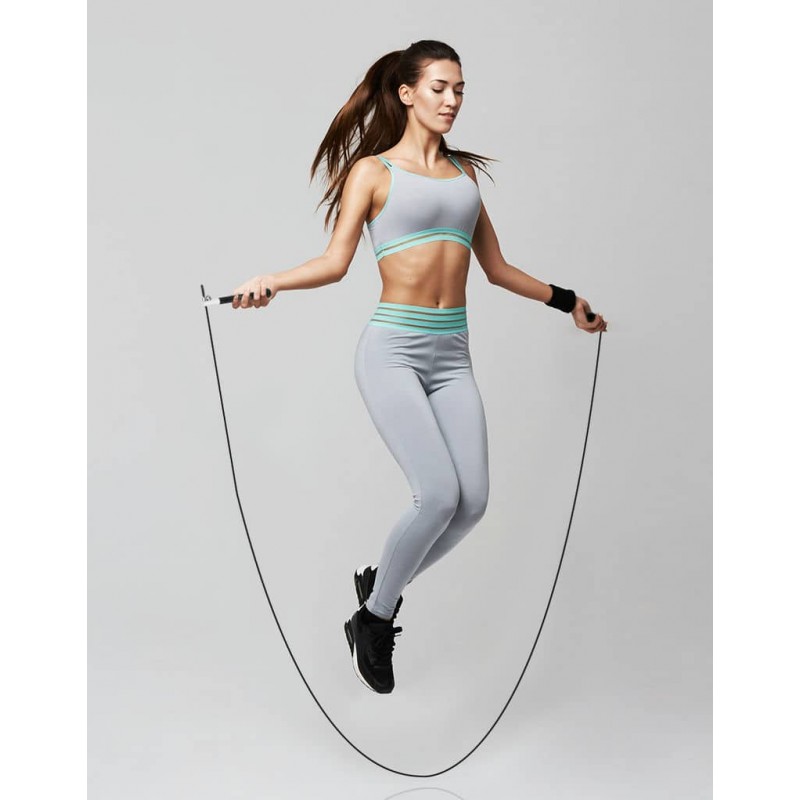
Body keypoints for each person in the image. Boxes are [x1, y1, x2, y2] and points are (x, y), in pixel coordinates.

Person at [231, 40, 608, 694]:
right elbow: (335, 263)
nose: (452, 100)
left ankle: (378, 586)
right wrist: (272, 282)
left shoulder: (464, 178)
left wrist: (567, 300)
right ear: (407, 93)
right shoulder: (374, 173)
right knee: (436, 495)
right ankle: (375, 617)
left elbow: (497, 269)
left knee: (473, 503)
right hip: (393, 351)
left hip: (452, 355)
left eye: (459, 89)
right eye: (439, 87)